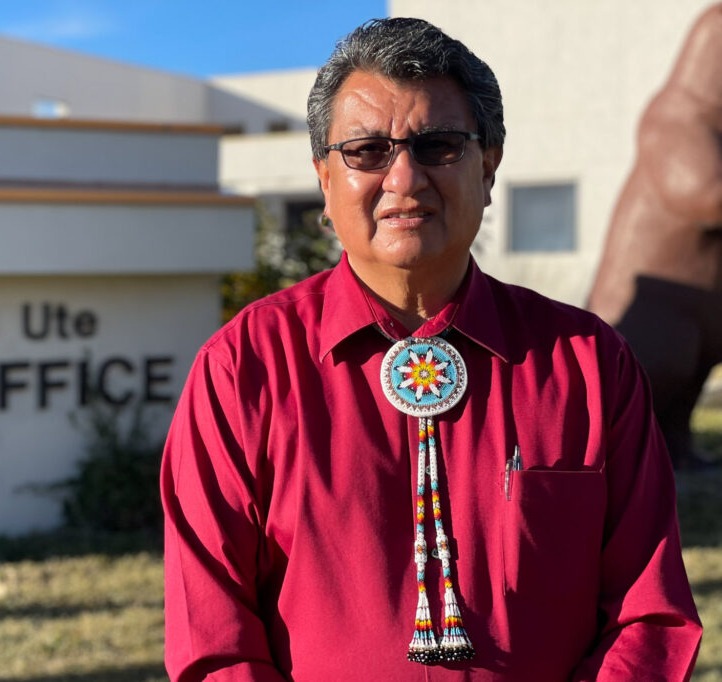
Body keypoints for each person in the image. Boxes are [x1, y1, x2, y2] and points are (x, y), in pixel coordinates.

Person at [161, 17, 702, 681]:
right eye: (367, 152)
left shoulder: (587, 365)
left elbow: (647, 618)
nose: (405, 178)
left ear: (489, 164)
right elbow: (214, 641)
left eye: (439, 146)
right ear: (324, 179)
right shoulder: (243, 369)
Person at [587, 3, 722, 470]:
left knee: (686, 377)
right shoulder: (676, 122)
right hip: (652, 314)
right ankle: (626, 459)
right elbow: (706, 194)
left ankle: (677, 449)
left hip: (695, 314)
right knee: (658, 363)